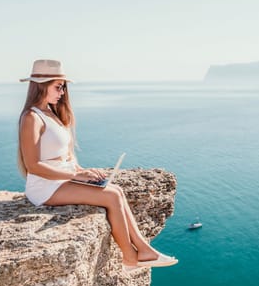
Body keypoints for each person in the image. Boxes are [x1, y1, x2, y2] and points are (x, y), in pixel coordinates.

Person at [18, 59, 177, 272]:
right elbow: (34, 166)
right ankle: (131, 257)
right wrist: (75, 177)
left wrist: (82, 171)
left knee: (116, 190)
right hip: (44, 188)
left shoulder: (50, 114)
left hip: (59, 181)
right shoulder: (32, 117)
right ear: (41, 85)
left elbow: (63, 157)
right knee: (110, 196)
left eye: (63, 87)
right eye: (58, 86)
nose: (62, 92)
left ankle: (143, 250)